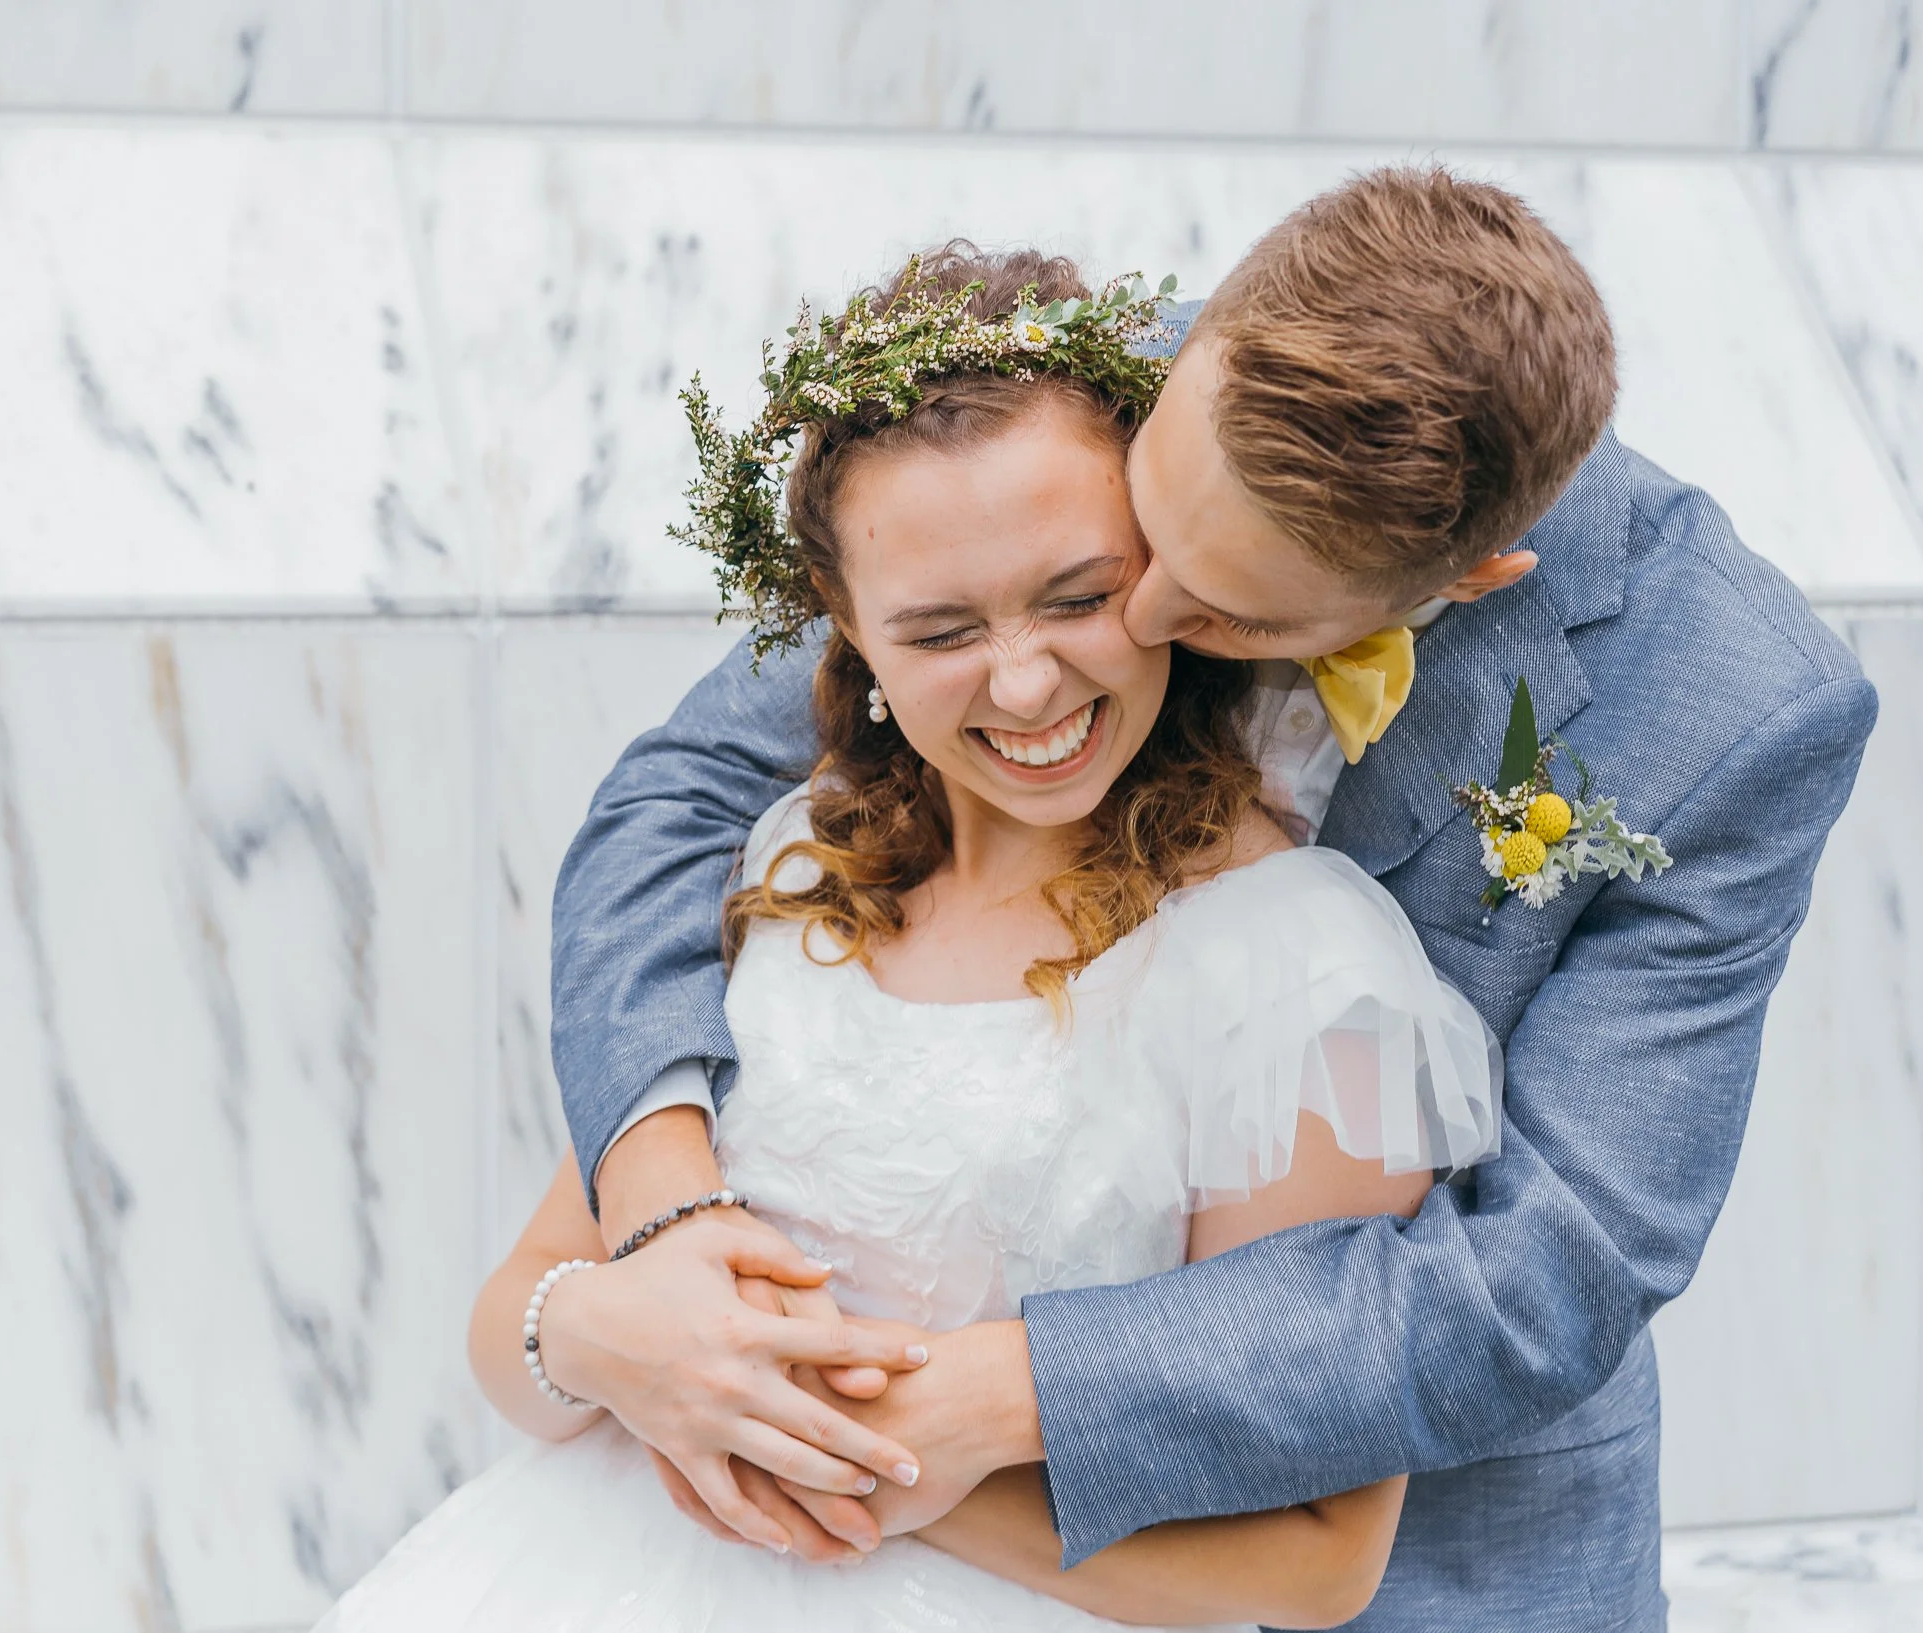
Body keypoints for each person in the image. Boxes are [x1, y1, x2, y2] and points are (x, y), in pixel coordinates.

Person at [546, 168, 1878, 1631]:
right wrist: (662, 1212)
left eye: (1229, 608)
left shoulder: (1739, 708)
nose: (1136, 619)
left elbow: (1549, 1275)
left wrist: (1008, 1395)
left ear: (1474, 576)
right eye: (1139, 540)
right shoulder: (1069, 397)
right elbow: (681, 798)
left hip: (1432, 1549)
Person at [316, 243, 1507, 1629]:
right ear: (847, 629)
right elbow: (514, 1313)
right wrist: (598, 1339)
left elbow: (1318, 1556)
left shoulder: (1293, 967)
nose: (1026, 682)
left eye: (1078, 596)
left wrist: (867, 1467)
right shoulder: (793, 861)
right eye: (940, 630)